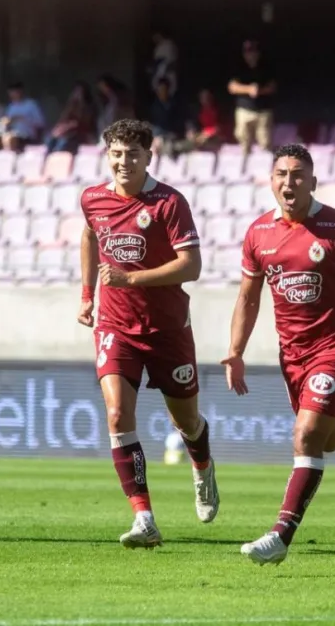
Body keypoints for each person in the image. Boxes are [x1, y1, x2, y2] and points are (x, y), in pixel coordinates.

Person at [224, 143, 335, 566]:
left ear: (313, 182)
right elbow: (248, 299)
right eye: (281, 174)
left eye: (298, 174)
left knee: (305, 435)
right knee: (330, 437)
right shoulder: (258, 234)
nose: (289, 182)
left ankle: (281, 534)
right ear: (271, 181)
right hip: (294, 356)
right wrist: (235, 351)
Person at [78, 119, 217, 548]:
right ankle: (144, 518)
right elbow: (89, 234)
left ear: (148, 158)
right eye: (116, 153)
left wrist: (131, 280)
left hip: (167, 329)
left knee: (187, 422)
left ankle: (202, 463)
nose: (124, 162)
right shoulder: (93, 199)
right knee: (118, 415)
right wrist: (88, 293)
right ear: (108, 156)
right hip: (115, 326)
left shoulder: (169, 203)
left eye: (132, 154)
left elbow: (191, 266)